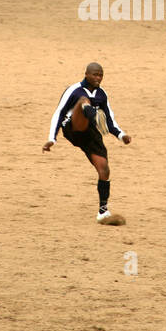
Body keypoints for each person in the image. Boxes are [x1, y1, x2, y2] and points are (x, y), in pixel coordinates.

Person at [43, 63, 131, 225]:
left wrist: (121, 135)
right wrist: (51, 138)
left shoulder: (102, 95)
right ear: (86, 74)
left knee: (104, 169)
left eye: (101, 75)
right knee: (84, 101)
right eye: (95, 74)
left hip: (90, 134)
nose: (98, 78)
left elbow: (110, 120)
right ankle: (91, 114)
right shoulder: (74, 90)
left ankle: (103, 212)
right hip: (72, 128)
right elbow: (59, 113)